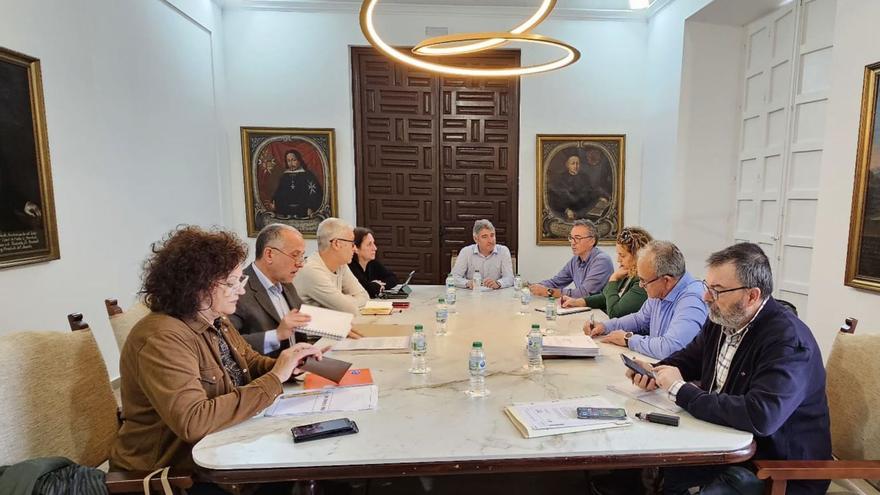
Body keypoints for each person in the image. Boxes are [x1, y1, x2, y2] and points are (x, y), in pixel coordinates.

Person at [110, 226, 325, 475]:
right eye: (232, 282)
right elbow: (194, 421)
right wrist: (275, 378)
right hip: (177, 471)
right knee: (306, 468)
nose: (242, 290)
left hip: (221, 446)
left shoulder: (215, 319)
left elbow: (250, 362)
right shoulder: (162, 338)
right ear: (198, 285)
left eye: (240, 280)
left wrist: (288, 365)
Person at [626, 243, 831, 495]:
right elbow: (690, 358)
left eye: (717, 290)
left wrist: (681, 390)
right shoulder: (723, 318)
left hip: (775, 467)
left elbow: (760, 416)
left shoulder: (788, 341)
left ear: (752, 296)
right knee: (653, 465)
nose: (706, 297)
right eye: (707, 286)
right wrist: (655, 371)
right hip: (725, 442)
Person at [585, 240, 706, 360]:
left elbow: (670, 348)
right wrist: (605, 327)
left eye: (644, 281)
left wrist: (628, 339)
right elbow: (639, 320)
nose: (641, 285)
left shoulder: (692, 300)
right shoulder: (660, 290)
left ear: (666, 281)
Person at [229, 223, 311, 357]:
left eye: (302, 256)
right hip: (265, 373)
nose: (300, 263)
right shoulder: (237, 290)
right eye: (295, 255)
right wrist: (277, 335)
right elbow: (228, 345)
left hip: (298, 368)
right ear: (269, 254)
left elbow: (304, 319)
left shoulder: (286, 283)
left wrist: (335, 327)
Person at [561, 226, 652, 318]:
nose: (618, 260)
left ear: (638, 256)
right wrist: (578, 302)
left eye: (622, 255)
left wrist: (613, 280)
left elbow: (615, 313)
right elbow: (606, 297)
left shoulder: (642, 283)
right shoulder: (628, 274)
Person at [293, 218, 369, 315]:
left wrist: (339, 300)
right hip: (313, 329)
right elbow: (349, 309)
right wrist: (346, 301)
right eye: (352, 243)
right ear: (336, 244)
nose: (354, 249)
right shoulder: (311, 270)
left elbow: (364, 297)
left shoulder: (341, 265)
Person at [529, 219, 613, 298]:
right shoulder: (575, 260)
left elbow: (584, 293)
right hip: (584, 308)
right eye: (571, 238)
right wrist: (532, 287)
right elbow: (556, 282)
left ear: (592, 241)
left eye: (577, 238)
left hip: (600, 311)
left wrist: (549, 292)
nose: (572, 243)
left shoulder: (602, 260)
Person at [451, 219, 514, 289]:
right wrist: (468, 283)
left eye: (492, 235)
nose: (490, 240)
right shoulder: (466, 252)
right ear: (476, 239)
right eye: (485, 237)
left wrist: (498, 283)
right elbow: (453, 277)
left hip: (495, 294)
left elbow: (510, 278)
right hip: (472, 295)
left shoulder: (503, 251)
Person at [272, 149, 323, 218]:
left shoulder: (307, 175)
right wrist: (274, 201)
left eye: (294, 160)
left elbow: (314, 192)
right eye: (289, 161)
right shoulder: (284, 176)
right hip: (286, 209)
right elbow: (279, 191)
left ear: (299, 160)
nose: (291, 163)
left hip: (303, 209)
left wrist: (311, 206)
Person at [349, 227, 398, 298]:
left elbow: (393, 278)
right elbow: (366, 290)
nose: (375, 248)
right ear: (356, 248)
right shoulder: (350, 266)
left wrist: (379, 286)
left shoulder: (372, 263)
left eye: (373, 243)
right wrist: (373, 286)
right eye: (369, 244)